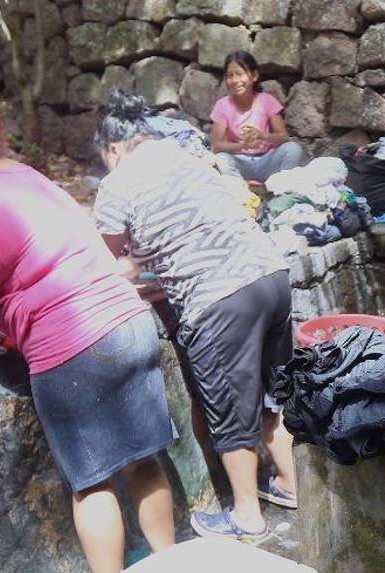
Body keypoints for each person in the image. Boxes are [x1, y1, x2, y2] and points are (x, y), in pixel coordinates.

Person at [0, 99, 177, 573]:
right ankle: (170, 570)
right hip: (129, 321)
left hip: (74, 345)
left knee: (92, 480)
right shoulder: (25, 174)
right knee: (143, 461)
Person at [94, 90, 295, 542]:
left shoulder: (116, 185)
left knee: (229, 407)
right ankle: (288, 483)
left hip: (220, 299)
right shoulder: (188, 154)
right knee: (273, 397)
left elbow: (105, 263)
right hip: (272, 275)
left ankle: (245, 515)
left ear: (111, 147)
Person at [210, 51, 304, 185]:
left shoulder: (267, 101)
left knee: (293, 149)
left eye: (240, 74)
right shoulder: (222, 105)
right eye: (230, 76)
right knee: (220, 159)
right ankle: (243, 187)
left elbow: (283, 137)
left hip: (267, 161)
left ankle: (280, 187)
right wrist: (242, 145)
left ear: (254, 76)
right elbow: (217, 146)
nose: (235, 80)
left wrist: (262, 136)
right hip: (240, 162)